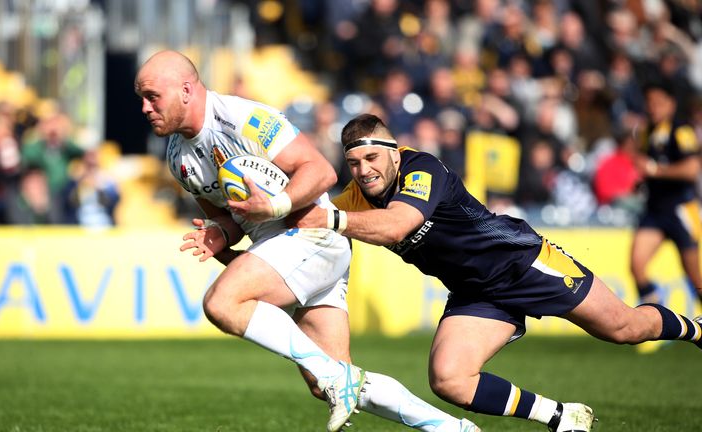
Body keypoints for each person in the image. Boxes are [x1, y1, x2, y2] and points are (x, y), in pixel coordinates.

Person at [134, 50, 480, 432]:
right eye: (142, 99)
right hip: (282, 250)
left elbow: (319, 170)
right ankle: (452, 429)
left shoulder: (243, 118)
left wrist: (276, 206)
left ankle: (336, 378)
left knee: (222, 302)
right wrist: (219, 235)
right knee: (326, 380)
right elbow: (230, 215)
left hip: (311, 236)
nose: (146, 108)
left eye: (153, 96)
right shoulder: (178, 159)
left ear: (186, 89)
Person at [289, 113, 702, 431]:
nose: (363, 170)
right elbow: (309, 219)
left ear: (395, 152)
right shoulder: (354, 198)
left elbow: (397, 225)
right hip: (474, 291)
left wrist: (330, 220)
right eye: (354, 162)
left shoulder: (423, 169)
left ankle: (695, 328)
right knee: (449, 379)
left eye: (372, 158)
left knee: (624, 328)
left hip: (523, 263)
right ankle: (562, 417)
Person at [631, 81, 702, 310]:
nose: (652, 108)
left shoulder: (681, 130)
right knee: (637, 265)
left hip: (681, 209)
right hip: (655, 210)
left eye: (658, 103)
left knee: (695, 277)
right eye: (649, 103)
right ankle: (654, 321)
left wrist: (655, 171)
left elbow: (692, 169)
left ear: (671, 104)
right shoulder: (645, 132)